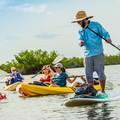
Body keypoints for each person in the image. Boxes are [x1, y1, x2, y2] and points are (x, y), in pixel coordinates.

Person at [72, 11, 112, 93]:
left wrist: (108, 38)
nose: (79, 23)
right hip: (87, 54)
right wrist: (80, 42)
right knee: (88, 75)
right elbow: (80, 39)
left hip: (98, 53)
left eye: (80, 21)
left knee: (100, 73)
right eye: (78, 22)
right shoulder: (80, 30)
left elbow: (105, 33)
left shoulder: (96, 25)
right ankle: (91, 92)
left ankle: (103, 91)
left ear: (85, 19)